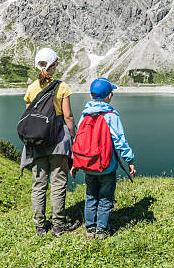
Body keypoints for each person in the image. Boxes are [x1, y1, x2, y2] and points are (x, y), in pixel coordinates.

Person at [20, 47, 79, 237]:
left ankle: (39, 227)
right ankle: (58, 226)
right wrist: (74, 137)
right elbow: (68, 116)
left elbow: (30, 116)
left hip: (36, 142)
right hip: (58, 141)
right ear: (54, 65)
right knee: (58, 183)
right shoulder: (62, 87)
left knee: (39, 185)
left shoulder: (31, 88)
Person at [70, 77, 136, 239]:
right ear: (109, 96)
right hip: (106, 166)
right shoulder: (111, 115)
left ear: (92, 96)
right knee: (106, 197)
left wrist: (75, 162)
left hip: (88, 164)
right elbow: (120, 141)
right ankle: (101, 230)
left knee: (91, 195)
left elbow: (79, 139)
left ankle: (90, 228)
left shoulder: (85, 114)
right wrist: (130, 161)